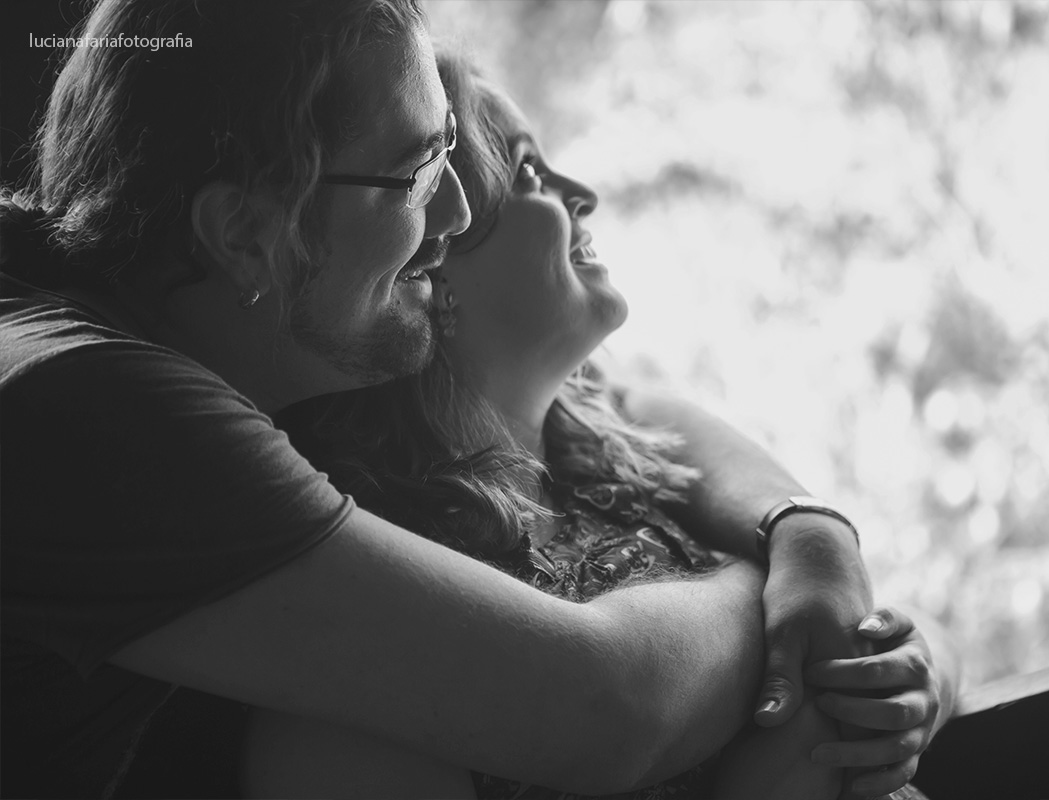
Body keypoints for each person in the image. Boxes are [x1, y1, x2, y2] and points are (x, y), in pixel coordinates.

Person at [0, 1, 880, 797]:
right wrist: (772, 589)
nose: (456, 214)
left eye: (452, 149)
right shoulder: (97, 411)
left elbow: (616, 399)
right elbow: (604, 712)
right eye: (417, 173)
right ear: (244, 234)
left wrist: (812, 534)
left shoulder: (67, 310)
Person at [245, 51, 961, 799]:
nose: (581, 195)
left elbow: (884, 631)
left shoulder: (642, 466)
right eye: (527, 173)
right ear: (428, 257)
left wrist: (917, 673)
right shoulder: (376, 650)